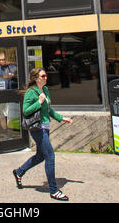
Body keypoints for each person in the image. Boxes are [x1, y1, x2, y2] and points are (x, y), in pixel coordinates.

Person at [13, 68, 73, 201]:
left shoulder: (45, 90)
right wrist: (38, 102)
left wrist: (61, 118)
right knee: (50, 155)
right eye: (43, 76)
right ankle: (54, 190)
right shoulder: (30, 92)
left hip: (45, 126)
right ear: (36, 78)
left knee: (41, 156)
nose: (46, 78)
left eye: (46, 75)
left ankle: (19, 172)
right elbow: (26, 111)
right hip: (37, 128)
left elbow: (48, 109)